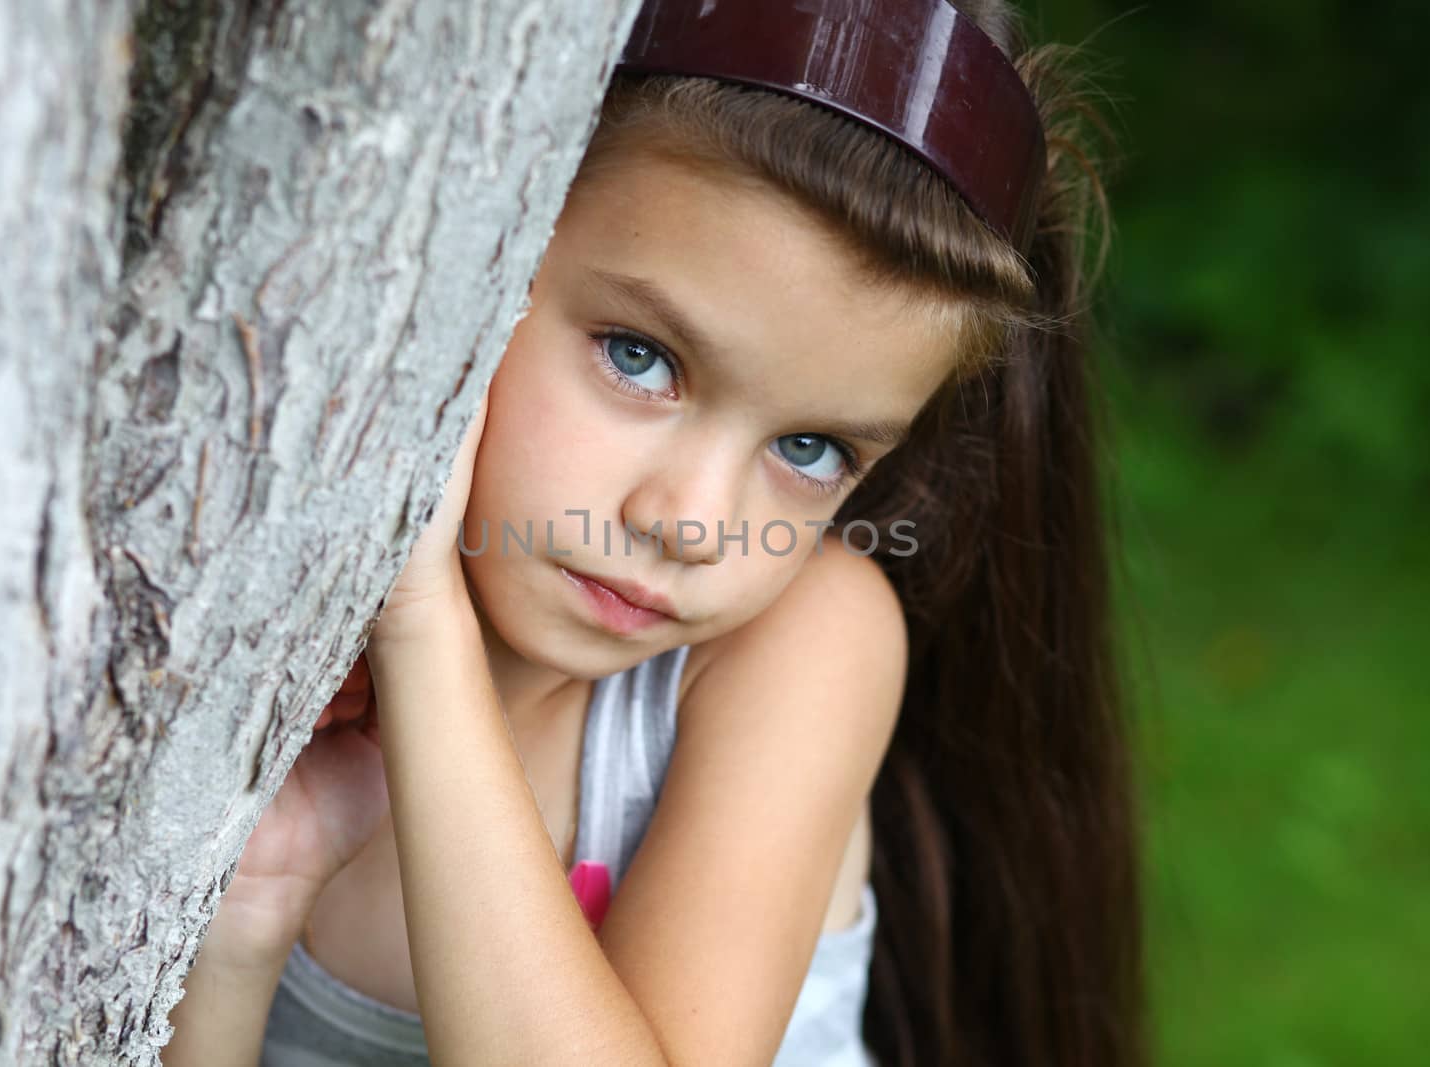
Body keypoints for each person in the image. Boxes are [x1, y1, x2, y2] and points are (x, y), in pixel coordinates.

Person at [162, 1, 1142, 1064]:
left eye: (811, 450)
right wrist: (245, 916)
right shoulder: (228, 610)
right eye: (639, 357)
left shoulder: (796, 644)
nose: (689, 523)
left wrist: (425, 633)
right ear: (475, 265)